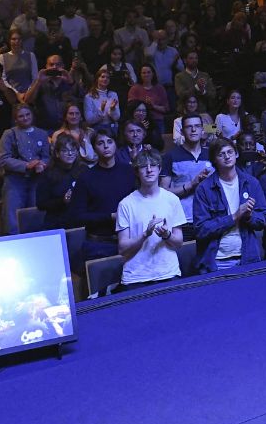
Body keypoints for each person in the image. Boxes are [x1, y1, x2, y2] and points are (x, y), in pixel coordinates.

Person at [192, 138, 266, 273]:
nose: (227, 156)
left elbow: (263, 219)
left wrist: (249, 216)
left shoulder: (251, 183)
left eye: (230, 152)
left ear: (236, 154)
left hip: (247, 257)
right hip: (215, 261)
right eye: (221, 154)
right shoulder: (204, 189)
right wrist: (234, 217)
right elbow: (201, 230)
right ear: (214, 160)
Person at [116, 149, 186, 291]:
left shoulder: (172, 200)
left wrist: (167, 235)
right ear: (136, 172)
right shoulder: (125, 204)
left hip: (168, 273)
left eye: (153, 165)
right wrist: (145, 235)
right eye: (143, 166)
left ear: (160, 169)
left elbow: (179, 242)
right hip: (135, 278)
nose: (149, 170)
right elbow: (122, 248)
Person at [69, 131, 133, 264]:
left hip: (130, 239)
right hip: (99, 243)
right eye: (100, 143)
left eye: (110, 142)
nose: (106, 146)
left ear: (115, 145)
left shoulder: (129, 171)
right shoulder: (86, 177)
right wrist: (110, 216)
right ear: (94, 148)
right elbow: (76, 217)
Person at [0, 103, 50, 234]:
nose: (25, 118)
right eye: (21, 116)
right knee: (12, 215)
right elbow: (3, 159)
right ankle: (13, 239)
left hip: (36, 178)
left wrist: (41, 165)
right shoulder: (9, 134)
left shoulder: (42, 134)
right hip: (15, 179)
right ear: (16, 119)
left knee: (36, 211)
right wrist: (26, 165)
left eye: (27, 114)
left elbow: (46, 156)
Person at [159, 113, 212, 242]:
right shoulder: (170, 156)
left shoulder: (211, 154)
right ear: (182, 131)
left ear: (202, 130)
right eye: (189, 127)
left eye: (197, 126)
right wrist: (191, 184)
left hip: (209, 218)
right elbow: (163, 192)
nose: (193, 130)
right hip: (183, 221)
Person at [35, 133, 85, 230]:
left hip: (80, 221)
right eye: (65, 151)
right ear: (57, 153)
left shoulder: (83, 169)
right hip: (56, 222)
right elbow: (40, 204)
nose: (70, 154)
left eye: (73, 150)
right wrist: (62, 201)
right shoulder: (48, 174)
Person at [83, 69, 121, 136]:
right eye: (103, 77)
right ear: (97, 79)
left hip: (112, 129)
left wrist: (112, 110)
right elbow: (89, 119)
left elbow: (117, 117)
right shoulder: (89, 97)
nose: (105, 79)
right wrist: (101, 110)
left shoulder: (113, 94)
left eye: (108, 77)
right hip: (96, 130)